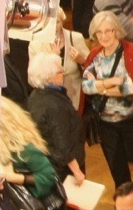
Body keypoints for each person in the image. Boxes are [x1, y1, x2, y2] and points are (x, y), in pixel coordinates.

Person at [83, 11, 133, 195]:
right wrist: (111, 83)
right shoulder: (94, 56)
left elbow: (129, 88)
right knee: (118, 172)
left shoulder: (130, 52)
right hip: (106, 124)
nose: (104, 36)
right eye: (99, 32)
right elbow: (86, 87)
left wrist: (99, 86)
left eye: (108, 31)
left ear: (116, 31)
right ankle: (126, 209)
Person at [28, 48, 89, 182]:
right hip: (63, 171)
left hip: (49, 164)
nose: (64, 73)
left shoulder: (36, 95)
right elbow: (62, 142)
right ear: (48, 77)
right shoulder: (53, 105)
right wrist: (77, 171)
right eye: (60, 71)